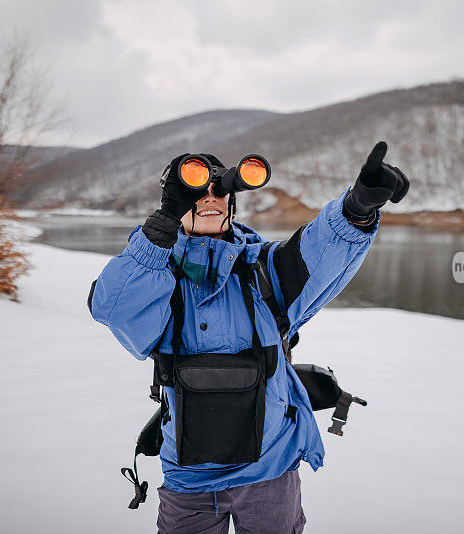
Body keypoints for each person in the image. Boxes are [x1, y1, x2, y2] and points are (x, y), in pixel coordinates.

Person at [88, 141, 409, 533]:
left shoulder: (266, 271)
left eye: (219, 189)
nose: (211, 198)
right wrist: (164, 222)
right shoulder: (157, 276)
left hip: (269, 469)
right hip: (188, 476)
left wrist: (358, 208)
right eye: (194, 190)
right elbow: (113, 308)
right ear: (174, 199)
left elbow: (320, 253)